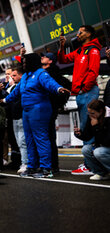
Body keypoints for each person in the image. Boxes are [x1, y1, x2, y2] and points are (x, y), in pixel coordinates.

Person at [2, 53, 70, 178]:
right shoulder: (26, 76)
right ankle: (32, 167)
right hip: (27, 111)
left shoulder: (41, 73)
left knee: (41, 139)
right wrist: (5, 100)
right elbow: (16, 92)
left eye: (25, 62)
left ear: (32, 62)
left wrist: (59, 89)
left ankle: (46, 168)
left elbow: (50, 83)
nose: (23, 64)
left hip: (39, 109)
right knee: (29, 140)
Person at [58, 25, 101, 174]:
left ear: (89, 34)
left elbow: (93, 71)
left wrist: (84, 88)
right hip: (82, 94)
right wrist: (62, 46)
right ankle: (90, 163)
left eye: (80, 32)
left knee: (87, 128)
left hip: (87, 92)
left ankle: (90, 165)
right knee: (85, 128)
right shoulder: (80, 50)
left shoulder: (93, 50)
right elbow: (63, 59)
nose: (78, 34)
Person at [41, 52, 71, 173]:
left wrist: (57, 103)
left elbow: (67, 88)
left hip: (48, 109)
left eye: (45, 57)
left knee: (48, 138)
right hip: (40, 109)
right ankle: (46, 164)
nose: (42, 57)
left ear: (50, 61)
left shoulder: (54, 75)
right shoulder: (39, 72)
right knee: (43, 138)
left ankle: (52, 165)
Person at [74, 100, 110, 180]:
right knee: (86, 149)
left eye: (92, 113)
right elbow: (87, 136)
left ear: (101, 111)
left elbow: (107, 141)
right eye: (89, 113)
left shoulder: (108, 118)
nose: (90, 115)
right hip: (103, 145)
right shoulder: (93, 117)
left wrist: (96, 127)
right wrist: (79, 134)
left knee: (99, 152)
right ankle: (101, 173)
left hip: (107, 145)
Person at [9, 66, 28, 174]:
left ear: (21, 75)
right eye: (12, 76)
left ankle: (25, 163)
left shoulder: (24, 86)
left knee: (23, 141)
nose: (13, 77)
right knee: (19, 142)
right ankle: (24, 162)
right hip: (14, 118)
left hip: (22, 117)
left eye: (14, 75)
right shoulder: (14, 88)